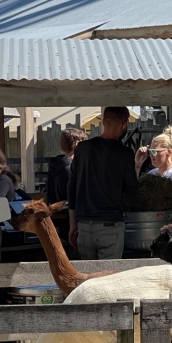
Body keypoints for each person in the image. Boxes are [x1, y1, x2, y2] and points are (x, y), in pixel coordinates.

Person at [67, 106, 139, 259]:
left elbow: (71, 187)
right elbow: (132, 192)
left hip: (84, 226)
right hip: (111, 225)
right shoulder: (125, 153)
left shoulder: (83, 149)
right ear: (124, 124)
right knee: (109, 279)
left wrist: (73, 224)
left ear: (103, 122)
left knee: (89, 279)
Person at [46, 127, 86, 205]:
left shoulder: (54, 165)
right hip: (69, 214)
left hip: (55, 213)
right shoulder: (70, 168)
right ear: (76, 144)